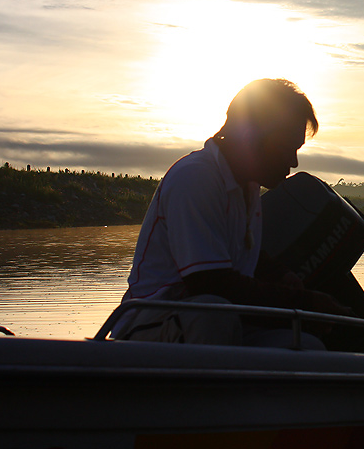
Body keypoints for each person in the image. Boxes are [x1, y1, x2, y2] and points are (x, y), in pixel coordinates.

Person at [112, 78, 349, 347]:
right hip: (151, 326)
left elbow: (236, 250)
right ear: (252, 137)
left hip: (213, 318)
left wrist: (279, 274)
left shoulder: (246, 185)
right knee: (212, 313)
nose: (293, 162)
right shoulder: (196, 178)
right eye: (287, 149)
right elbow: (209, 282)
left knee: (307, 346)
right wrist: (306, 305)